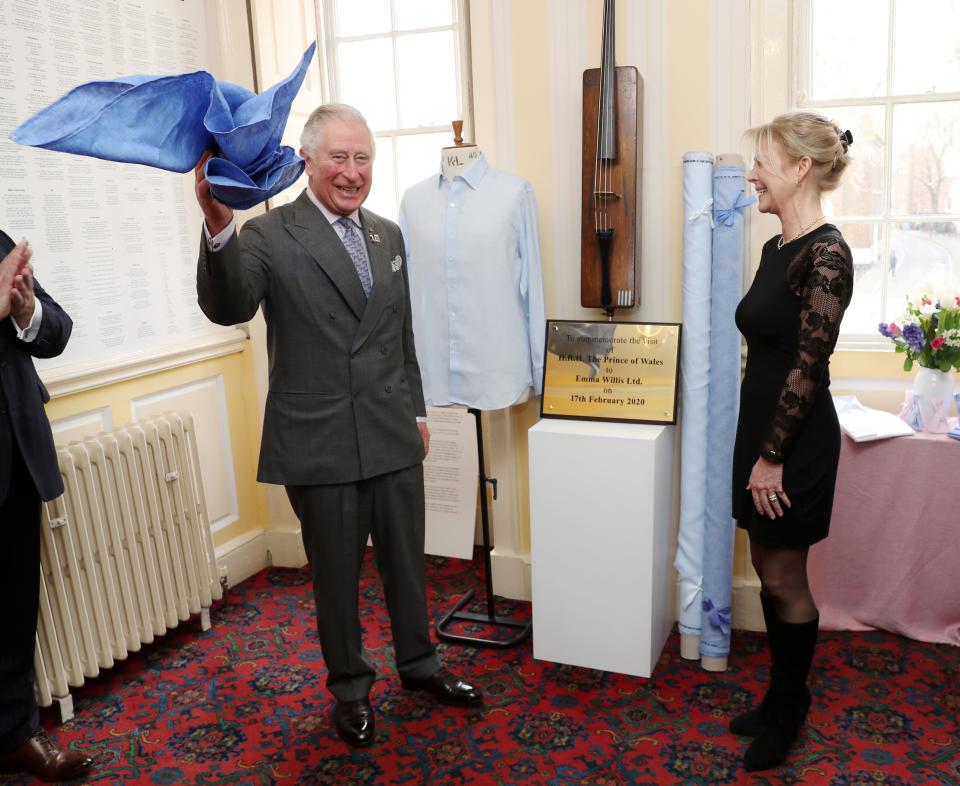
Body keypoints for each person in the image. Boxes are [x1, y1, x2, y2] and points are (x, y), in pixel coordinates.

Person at [194, 103, 482, 748]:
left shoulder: (388, 234)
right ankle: (350, 690)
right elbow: (229, 305)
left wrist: (414, 410)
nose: (352, 173)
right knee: (337, 580)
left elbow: (400, 334)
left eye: (363, 158)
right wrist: (219, 229)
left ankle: (421, 665)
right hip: (318, 439)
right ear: (307, 162)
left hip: (391, 430)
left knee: (409, 564)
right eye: (339, 158)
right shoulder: (268, 235)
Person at [729, 112, 854, 772]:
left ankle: (790, 706)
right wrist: (754, 446)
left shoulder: (828, 254)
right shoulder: (775, 247)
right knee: (766, 574)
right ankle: (780, 699)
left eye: (763, 162)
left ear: (800, 168)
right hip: (761, 433)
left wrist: (772, 457)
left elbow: (809, 366)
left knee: (783, 577)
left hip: (794, 442)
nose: (752, 174)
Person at [0, 233, 94, 781]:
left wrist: (27, 310)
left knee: (15, 610)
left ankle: (15, 734)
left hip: (17, 458)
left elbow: (56, 330)